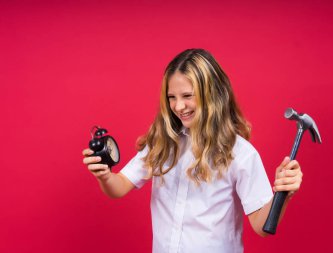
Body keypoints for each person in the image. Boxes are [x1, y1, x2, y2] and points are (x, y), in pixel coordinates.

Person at [82, 48, 303, 253]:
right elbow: (119, 187)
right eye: (172, 97)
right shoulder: (163, 143)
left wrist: (283, 194)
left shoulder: (241, 154)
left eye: (187, 96)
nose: (178, 106)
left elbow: (261, 226)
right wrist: (105, 176)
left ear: (212, 94)